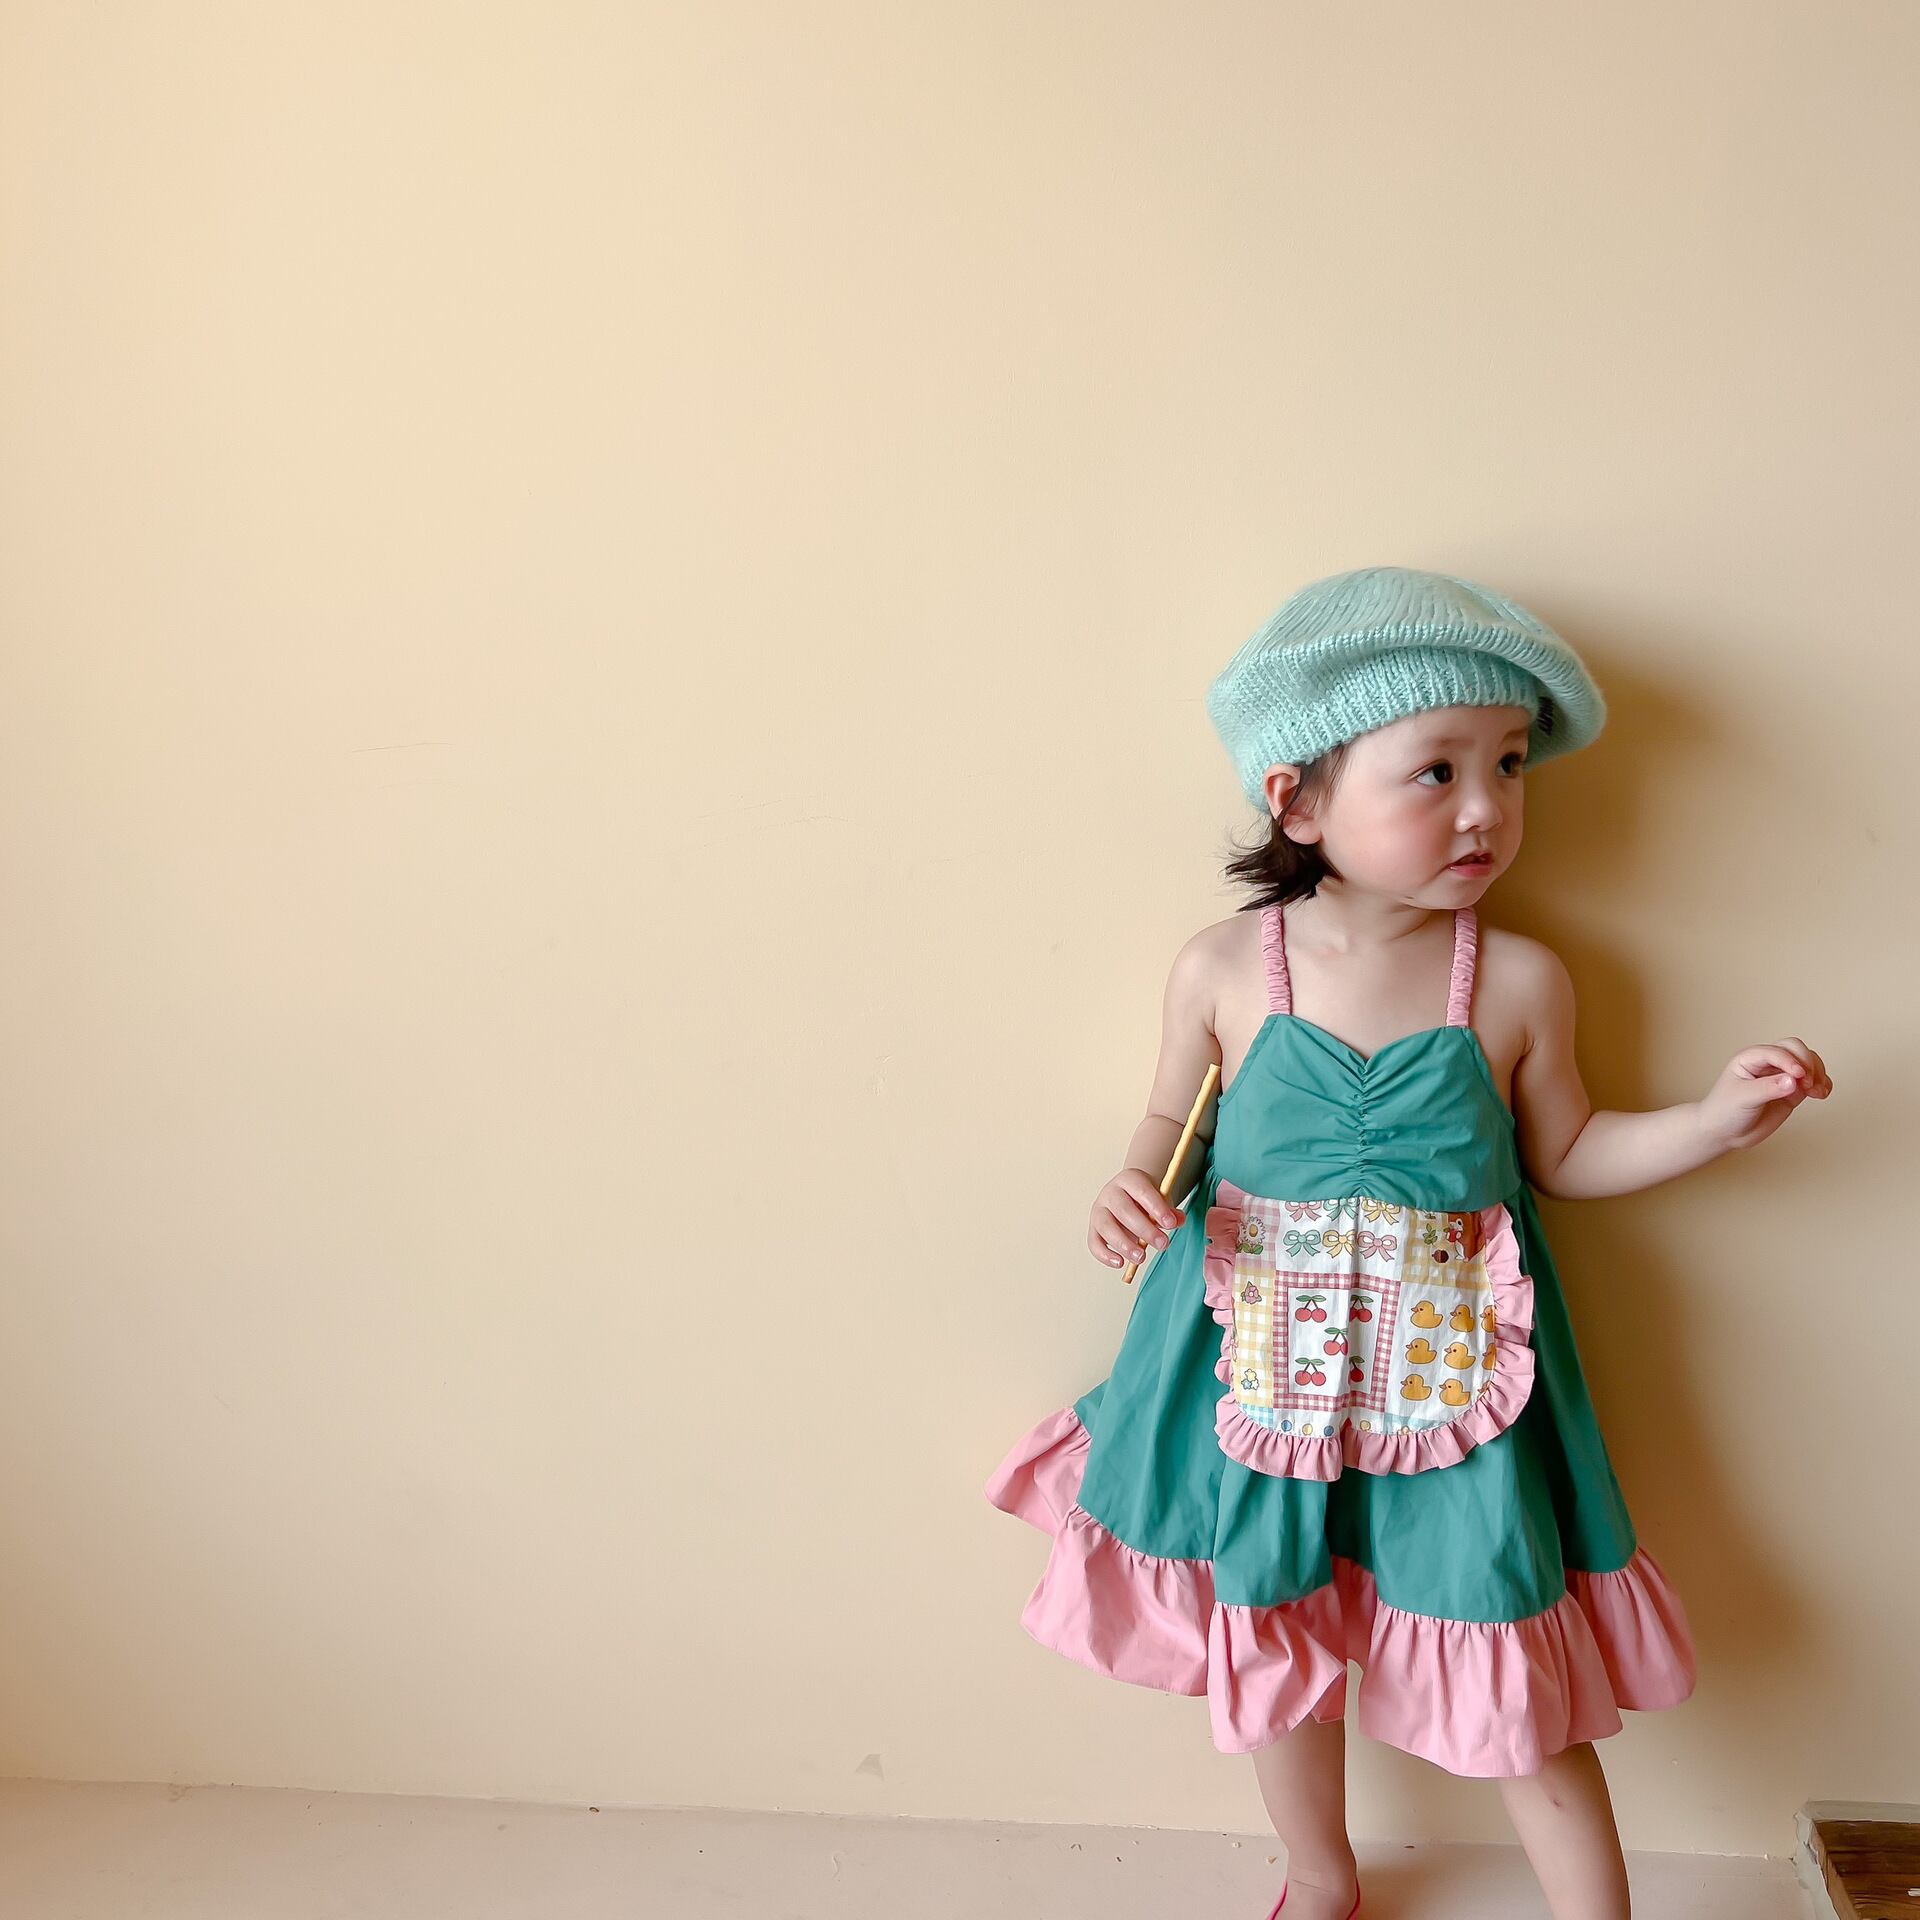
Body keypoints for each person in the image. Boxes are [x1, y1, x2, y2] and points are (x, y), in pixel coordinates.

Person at [983, 566, 1831, 1920]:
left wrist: (1714, 1123)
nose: (1487, 807)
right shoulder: (1225, 967)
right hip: (1257, 1372)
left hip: (1457, 1392)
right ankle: (1321, 1872)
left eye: (1509, 765)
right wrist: (1132, 1184)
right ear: (1298, 801)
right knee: (1276, 1628)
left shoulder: (1516, 981)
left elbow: (1567, 1154)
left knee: (1510, 1658)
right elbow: (1168, 1120)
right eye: (1436, 771)